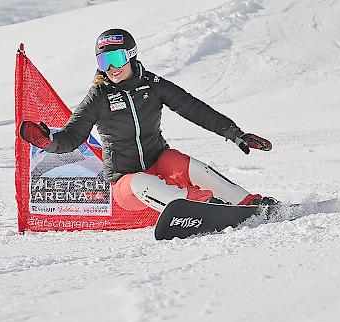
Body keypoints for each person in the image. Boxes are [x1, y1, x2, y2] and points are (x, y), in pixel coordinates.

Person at [19, 28, 277, 214]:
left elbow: (192, 108)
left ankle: (248, 202)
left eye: (116, 59)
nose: (111, 68)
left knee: (180, 161)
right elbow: (72, 136)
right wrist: (50, 142)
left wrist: (233, 132)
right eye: (103, 61)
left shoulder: (152, 84)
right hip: (126, 184)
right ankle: (199, 205)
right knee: (139, 180)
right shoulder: (99, 96)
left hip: (160, 164)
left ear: (131, 56)